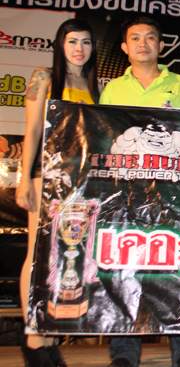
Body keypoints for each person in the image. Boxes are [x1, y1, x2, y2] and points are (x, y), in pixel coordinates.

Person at [100, 16, 180, 367]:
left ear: (161, 46)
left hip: (173, 193)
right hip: (127, 193)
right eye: (135, 38)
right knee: (125, 269)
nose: (143, 43)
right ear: (124, 47)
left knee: (178, 269)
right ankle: (124, 354)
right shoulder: (113, 89)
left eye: (150, 38)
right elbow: (103, 135)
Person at [16, 18, 100, 367]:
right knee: (37, 253)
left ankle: (49, 335)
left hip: (79, 182)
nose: (79, 49)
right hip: (45, 176)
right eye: (72, 41)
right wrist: (24, 179)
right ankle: (33, 338)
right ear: (60, 45)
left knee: (62, 255)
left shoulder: (95, 86)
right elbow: (32, 130)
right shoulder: (44, 77)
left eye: (86, 42)